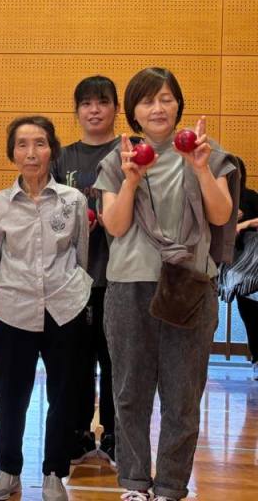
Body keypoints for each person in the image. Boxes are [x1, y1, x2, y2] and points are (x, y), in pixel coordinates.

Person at [95, 67, 238, 501]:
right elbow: (115, 226)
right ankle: (135, 482)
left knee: (183, 395)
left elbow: (220, 215)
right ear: (133, 111)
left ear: (178, 104)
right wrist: (131, 181)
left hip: (190, 286)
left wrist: (200, 169)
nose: (157, 108)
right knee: (129, 392)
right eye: (146, 100)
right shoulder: (118, 158)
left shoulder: (207, 152)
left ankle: (172, 486)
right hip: (130, 285)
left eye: (166, 98)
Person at [0, 115, 91, 501]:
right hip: (14, 309)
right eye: (23, 145)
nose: (32, 153)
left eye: (40, 143)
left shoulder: (73, 200)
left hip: (65, 307)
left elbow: (81, 255)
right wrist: (7, 294)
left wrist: (75, 292)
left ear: (52, 151)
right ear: (12, 153)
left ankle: (54, 474)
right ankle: (8, 471)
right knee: (10, 395)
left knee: (63, 395)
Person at [52, 76, 119, 466]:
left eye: (102, 102)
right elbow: (48, 211)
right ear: (77, 110)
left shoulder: (129, 152)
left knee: (115, 361)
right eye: (86, 103)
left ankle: (113, 435)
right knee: (75, 362)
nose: (94, 110)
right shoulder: (62, 158)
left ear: (115, 109)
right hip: (73, 278)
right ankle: (77, 433)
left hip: (119, 276)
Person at [219, 156, 258, 380]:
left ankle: (256, 358)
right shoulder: (216, 198)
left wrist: (246, 223)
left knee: (252, 312)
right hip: (226, 266)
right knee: (246, 314)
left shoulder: (250, 196)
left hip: (250, 268)